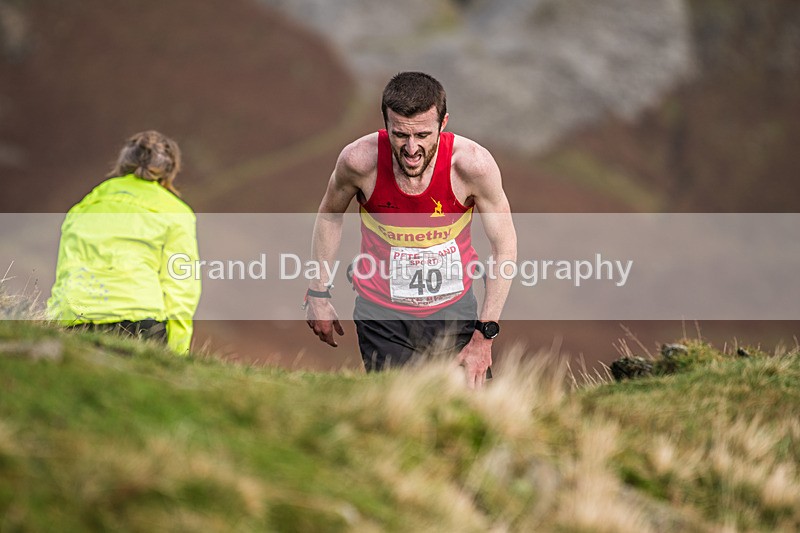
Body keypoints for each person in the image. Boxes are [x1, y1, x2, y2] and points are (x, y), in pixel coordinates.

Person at [306, 72, 517, 388]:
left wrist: (484, 336)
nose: (411, 148)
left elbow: (504, 247)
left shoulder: (473, 166)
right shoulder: (359, 162)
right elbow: (329, 216)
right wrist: (318, 292)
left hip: (454, 313)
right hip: (382, 317)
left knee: (464, 411)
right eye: (400, 135)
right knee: (399, 407)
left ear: (443, 124)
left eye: (423, 134)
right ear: (385, 125)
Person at [47, 130, 201, 354]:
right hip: (138, 321)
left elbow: (65, 271)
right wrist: (177, 349)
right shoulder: (176, 212)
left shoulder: (84, 205)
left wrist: (56, 319)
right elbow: (181, 287)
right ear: (169, 171)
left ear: (123, 163)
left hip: (74, 318)